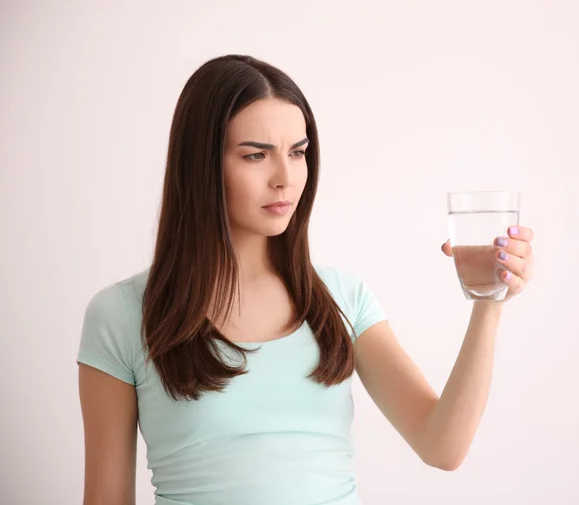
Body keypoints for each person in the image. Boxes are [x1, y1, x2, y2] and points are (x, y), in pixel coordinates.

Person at [77, 54, 535, 505]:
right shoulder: (122, 314)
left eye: (297, 153)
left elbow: (443, 446)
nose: (285, 178)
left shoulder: (342, 298)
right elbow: (106, 498)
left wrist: (490, 300)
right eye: (256, 155)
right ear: (200, 166)